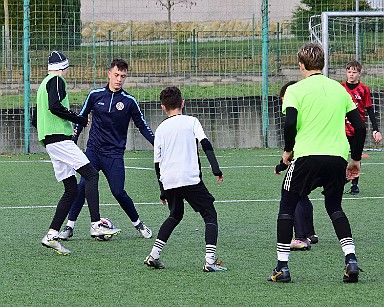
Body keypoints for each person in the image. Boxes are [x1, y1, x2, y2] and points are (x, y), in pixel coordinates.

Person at [267, 43, 366, 283]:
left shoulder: (295, 90)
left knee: (286, 206)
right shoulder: (339, 90)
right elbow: (361, 127)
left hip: (307, 156)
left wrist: (288, 151)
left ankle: (282, 267)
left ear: (301, 65)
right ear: (322, 63)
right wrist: (354, 160)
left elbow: (290, 124)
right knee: (334, 207)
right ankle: (350, 259)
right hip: (337, 158)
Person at [33, 51, 121, 255]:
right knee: (91, 174)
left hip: (51, 141)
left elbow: (35, 116)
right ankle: (96, 224)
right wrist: (77, 120)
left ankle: (52, 235)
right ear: (64, 67)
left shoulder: (43, 84)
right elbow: (55, 107)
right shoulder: (56, 80)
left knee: (71, 190)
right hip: (59, 140)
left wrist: (54, 131)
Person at [58, 58, 154, 241]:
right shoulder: (95, 95)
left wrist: (156, 143)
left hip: (114, 154)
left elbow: (142, 126)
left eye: (123, 76)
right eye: (116, 75)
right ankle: (69, 226)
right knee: (82, 186)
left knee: (118, 191)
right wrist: (71, 143)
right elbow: (81, 119)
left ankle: (138, 224)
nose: (119, 79)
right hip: (93, 151)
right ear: (109, 73)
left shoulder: (129, 101)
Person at [144, 86, 227, 272]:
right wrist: (216, 169)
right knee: (210, 215)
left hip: (169, 181)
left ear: (163, 108)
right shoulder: (192, 121)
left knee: (175, 215)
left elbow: (157, 163)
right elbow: (205, 143)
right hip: (190, 179)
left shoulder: (160, 129)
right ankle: (210, 262)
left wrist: (162, 190)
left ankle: (154, 255)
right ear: (182, 103)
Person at [276, 81, 318, 251]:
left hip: (308, 158)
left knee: (294, 193)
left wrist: (284, 159)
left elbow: (293, 136)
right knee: (303, 194)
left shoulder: (296, 113)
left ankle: (300, 238)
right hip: (330, 158)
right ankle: (311, 233)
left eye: (283, 99)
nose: (283, 103)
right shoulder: (311, 110)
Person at [341, 60, 382, 194]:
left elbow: (369, 109)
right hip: (341, 129)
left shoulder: (364, 90)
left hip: (357, 130)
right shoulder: (340, 88)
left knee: (356, 156)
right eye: (349, 72)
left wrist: (376, 129)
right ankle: (338, 182)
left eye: (354, 72)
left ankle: (354, 184)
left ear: (359, 74)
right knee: (339, 156)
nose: (351, 74)